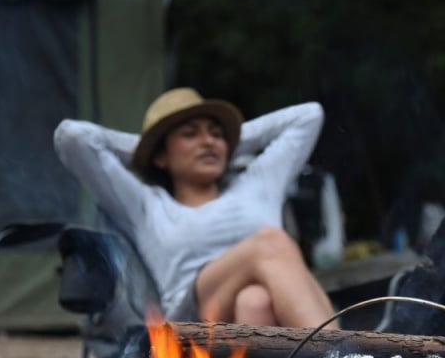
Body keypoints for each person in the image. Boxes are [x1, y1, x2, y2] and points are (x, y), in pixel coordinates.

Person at [54, 87, 338, 328]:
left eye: (216, 134)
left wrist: (225, 145)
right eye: (190, 134)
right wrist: (148, 149)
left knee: (254, 300)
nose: (208, 141)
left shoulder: (256, 185)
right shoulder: (146, 205)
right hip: (192, 321)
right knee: (270, 242)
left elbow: (309, 115)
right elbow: (72, 137)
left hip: (257, 319)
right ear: (161, 157)